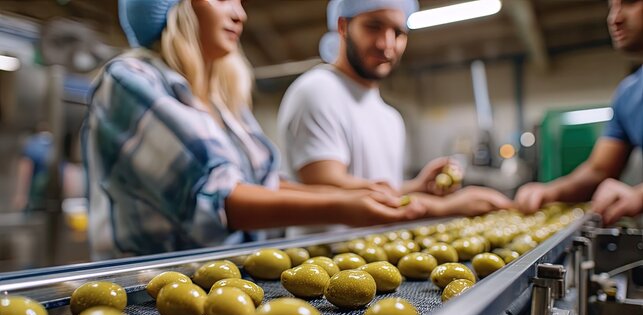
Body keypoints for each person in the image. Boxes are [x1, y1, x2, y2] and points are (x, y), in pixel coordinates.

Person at [82, 0, 425, 259]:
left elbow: (265, 183)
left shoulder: (220, 102)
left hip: (223, 281)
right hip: (148, 293)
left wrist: (357, 195)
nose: (240, 14)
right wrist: (342, 207)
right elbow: (220, 199)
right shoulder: (130, 80)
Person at [278, 0, 511, 218]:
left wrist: (416, 188)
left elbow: (374, 191)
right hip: (326, 257)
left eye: (398, 33)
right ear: (343, 26)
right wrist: (448, 207)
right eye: (373, 27)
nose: (386, 44)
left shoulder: (390, 117)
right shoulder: (318, 91)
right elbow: (327, 187)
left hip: (378, 257)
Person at [515, 0, 643, 225]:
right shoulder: (629, 94)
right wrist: (550, 192)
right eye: (611, 6)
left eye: (629, 2)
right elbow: (598, 170)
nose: (615, 18)